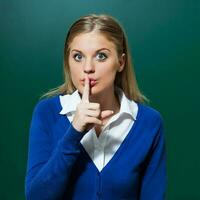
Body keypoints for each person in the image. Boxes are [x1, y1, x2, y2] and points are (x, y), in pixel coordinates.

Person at [25, 13, 167, 200]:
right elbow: (36, 197)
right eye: (78, 57)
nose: (88, 68)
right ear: (67, 61)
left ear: (121, 62)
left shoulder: (149, 122)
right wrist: (74, 132)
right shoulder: (47, 113)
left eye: (101, 56)